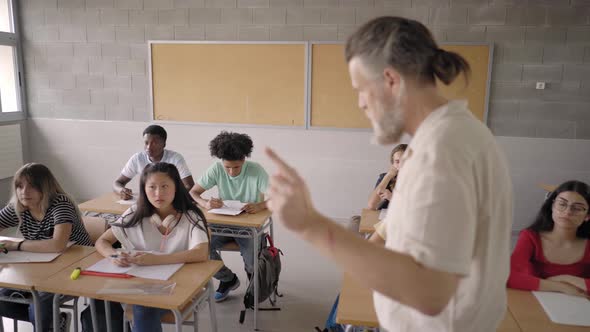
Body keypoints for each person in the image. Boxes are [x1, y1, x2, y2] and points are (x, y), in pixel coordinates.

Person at [264, 16, 513, 332]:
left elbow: (429, 292)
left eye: (360, 90)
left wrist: (310, 224)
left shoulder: (439, 151)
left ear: (391, 80)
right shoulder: (454, 135)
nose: (361, 104)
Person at [96, 162, 209, 332]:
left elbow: (201, 253)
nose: (158, 193)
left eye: (165, 186)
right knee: (98, 301)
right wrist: (113, 255)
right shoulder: (135, 212)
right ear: (144, 189)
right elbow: (102, 242)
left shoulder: (191, 216)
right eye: (152, 187)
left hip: (180, 285)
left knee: (143, 306)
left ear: (176, 188)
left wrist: (156, 260)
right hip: (138, 282)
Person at [0, 163, 92, 331]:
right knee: (3, 299)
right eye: (20, 186)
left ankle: (49, 324)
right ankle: (55, 323)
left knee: (40, 304)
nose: (24, 192)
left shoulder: (60, 203)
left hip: (76, 266)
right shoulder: (19, 206)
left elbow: (57, 244)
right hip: (39, 267)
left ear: (46, 188)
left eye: (32, 186)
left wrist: (16, 245)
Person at [190, 131, 269, 302]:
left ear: (243, 160)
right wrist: (205, 204)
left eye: (236, 167)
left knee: (251, 263)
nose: (232, 172)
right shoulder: (217, 169)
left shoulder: (257, 170)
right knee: (200, 248)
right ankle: (228, 279)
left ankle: (253, 282)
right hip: (223, 223)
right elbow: (193, 192)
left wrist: (260, 205)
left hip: (250, 227)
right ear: (221, 162)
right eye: (227, 167)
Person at [508, 180, 590, 297]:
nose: (567, 212)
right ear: (552, 206)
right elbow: (509, 276)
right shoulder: (530, 237)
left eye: (577, 208)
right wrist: (562, 287)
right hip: (534, 303)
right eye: (562, 204)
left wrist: (567, 278)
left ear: (587, 216)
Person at [113, 125, 194, 200]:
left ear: (164, 144)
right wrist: (121, 190)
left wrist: (169, 197)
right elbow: (117, 183)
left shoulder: (175, 158)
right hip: (146, 202)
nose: (149, 147)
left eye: (154, 143)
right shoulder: (138, 158)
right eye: (146, 143)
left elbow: (189, 186)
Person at [367, 143, 407, 210]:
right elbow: (371, 206)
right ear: (392, 163)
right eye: (397, 162)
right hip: (384, 217)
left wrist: (392, 198)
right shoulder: (385, 177)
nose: (401, 165)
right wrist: (388, 176)